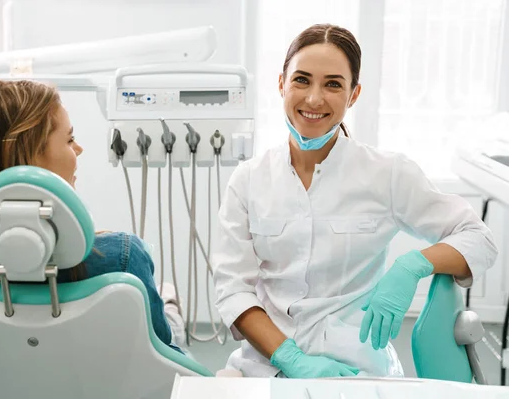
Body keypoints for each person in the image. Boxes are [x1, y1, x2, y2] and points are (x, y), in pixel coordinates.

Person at [213, 24, 498, 378]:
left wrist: (413, 265)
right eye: (302, 80)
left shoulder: (386, 173)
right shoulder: (249, 179)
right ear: (282, 84)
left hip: (356, 368)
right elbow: (233, 290)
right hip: (263, 362)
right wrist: (290, 358)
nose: (314, 99)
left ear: (353, 94)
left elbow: (480, 239)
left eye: (333, 84)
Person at [0, 80, 185, 352]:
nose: (79, 149)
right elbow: (168, 368)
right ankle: (170, 302)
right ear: (23, 155)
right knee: (168, 307)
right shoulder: (122, 258)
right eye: (70, 139)